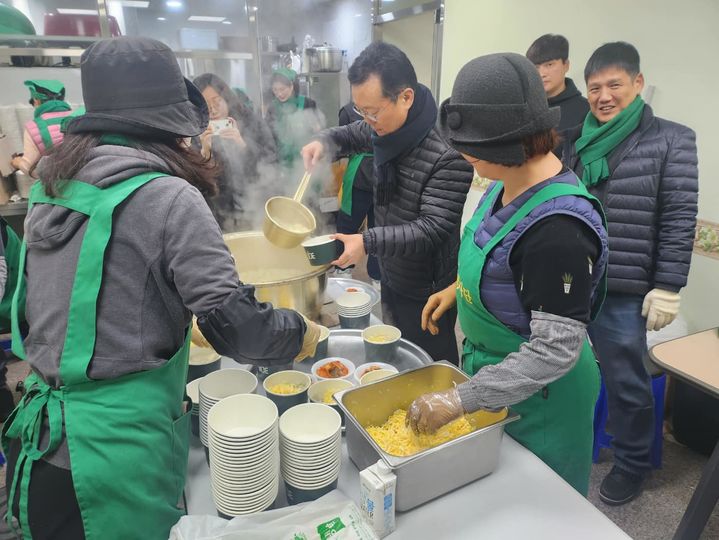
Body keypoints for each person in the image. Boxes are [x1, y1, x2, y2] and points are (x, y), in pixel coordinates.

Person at [1, 37, 320, 540]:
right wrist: (299, 330)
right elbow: (240, 331)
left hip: (41, 443)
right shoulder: (168, 196)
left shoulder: (51, 185)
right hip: (114, 462)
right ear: (168, 126)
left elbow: (77, 302)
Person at [405, 52, 609, 496]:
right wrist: (458, 290)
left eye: (471, 150)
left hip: (544, 401)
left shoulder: (559, 232)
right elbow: (503, 266)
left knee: (531, 507)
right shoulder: (505, 182)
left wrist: (459, 399)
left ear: (506, 145)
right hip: (495, 377)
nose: (465, 156)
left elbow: (555, 351)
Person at [561, 42, 698, 505]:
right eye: (594, 87)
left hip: (623, 289)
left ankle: (633, 462)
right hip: (574, 282)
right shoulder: (577, 141)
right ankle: (574, 438)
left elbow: (679, 217)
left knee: (627, 382)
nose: (603, 96)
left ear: (637, 84)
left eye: (614, 85)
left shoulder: (672, 139)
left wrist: (668, 286)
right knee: (566, 367)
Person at [302, 42, 474, 365]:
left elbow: (431, 229)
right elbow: (352, 134)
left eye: (372, 111)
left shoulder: (448, 153)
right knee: (395, 355)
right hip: (393, 270)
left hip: (429, 287)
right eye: (361, 111)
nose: (367, 121)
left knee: (428, 363)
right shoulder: (387, 126)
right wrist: (324, 142)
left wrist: (366, 242)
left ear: (405, 97)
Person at [194, 73, 277, 231]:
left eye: (216, 100)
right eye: (205, 104)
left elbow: (270, 163)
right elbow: (196, 185)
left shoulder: (251, 121)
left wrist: (242, 145)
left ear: (226, 97)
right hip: (220, 216)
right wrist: (205, 153)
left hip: (256, 207)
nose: (212, 109)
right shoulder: (196, 132)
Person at [335, 102, 380, 282]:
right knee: (347, 224)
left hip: (384, 177)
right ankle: (342, 268)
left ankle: (378, 275)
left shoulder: (385, 106)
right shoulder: (346, 111)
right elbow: (341, 144)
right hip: (358, 178)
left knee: (380, 227)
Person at [526, 34, 589, 133]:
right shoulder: (526, 108)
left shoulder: (586, 110)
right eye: (536, 67)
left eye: (549, 65)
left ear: (566, 65)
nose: (541, 74)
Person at [10, 80, 74, 177]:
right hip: (88, 181)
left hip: (58, 184)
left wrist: (18, 163)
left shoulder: (33, 127)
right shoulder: (79, 117)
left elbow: (32, 169)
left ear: (37, 100)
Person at [266, 68, 323, 171]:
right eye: (275, 90)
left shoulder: (307, 103)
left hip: (305, 161)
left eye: (282, 89)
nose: (279, 94)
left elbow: (318, 132)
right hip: (281, 165)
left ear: (292, 86)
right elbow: (269, 138)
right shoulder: (272, 108)